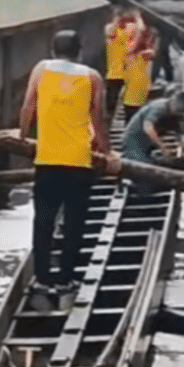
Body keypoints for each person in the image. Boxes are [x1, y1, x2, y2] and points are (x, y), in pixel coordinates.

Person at [17, 28, 122, 307]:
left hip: (48, 159)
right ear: (80, 51)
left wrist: (22, 136)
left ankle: (42, 280)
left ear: (53, 50)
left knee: (43, 222)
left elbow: (29, 107)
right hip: (79, 161)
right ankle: (65, 281)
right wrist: (108, 152)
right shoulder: (92, 77)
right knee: (75, 224)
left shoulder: (41, 70)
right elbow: (98, 120)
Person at [120, 89, 184, 166]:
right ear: (172, 102)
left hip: (149, 145)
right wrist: (163, 149)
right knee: (143, 166)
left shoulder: (181, 116)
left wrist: (181, 152)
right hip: (133, 142)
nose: (177, 114)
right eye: (175, 111)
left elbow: (182, 137)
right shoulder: (159, 107)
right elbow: (148, 128)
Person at [121, 13, 158, 124]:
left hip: (134, 95)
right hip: (135, 94)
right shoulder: (141, 56)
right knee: (133, 119)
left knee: (130, 119)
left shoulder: (138, 55)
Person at [103, 6, 135, 121]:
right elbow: (110, 33)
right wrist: (117, 21)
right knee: (111, 102)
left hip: (130, 71)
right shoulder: (111, 29)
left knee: (130, 103)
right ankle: (108, 121)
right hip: (114, 73)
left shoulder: (131, 28)